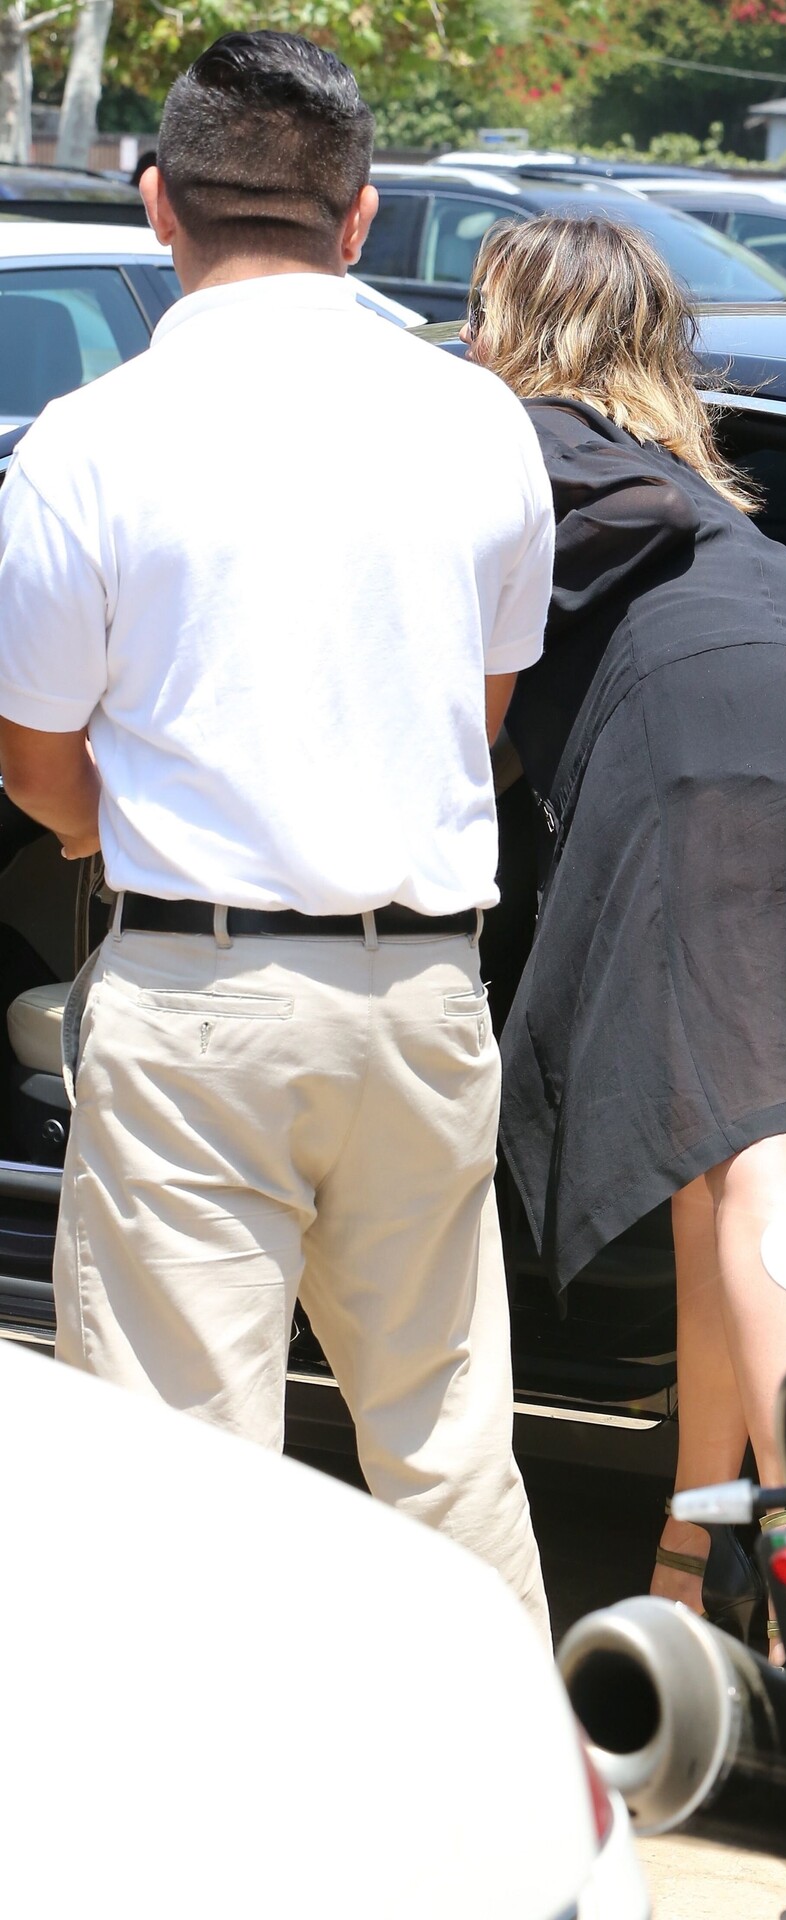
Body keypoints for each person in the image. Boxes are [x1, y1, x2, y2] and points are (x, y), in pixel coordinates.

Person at [0, 32, 553, 1635]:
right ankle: (503, 1777)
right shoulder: (479, 423)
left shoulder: (90, 439)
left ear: (156, 203)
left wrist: (139, 833)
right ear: (360, 216)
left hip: (197, 993)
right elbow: (483, 713)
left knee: (181, 1469)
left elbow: (34, 762)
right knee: (448, 1446)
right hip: (421, 993)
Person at [464, 214, 786, 1648]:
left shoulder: (506, 442)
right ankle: (696, 1548)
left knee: (761, 1167)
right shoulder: (674, 475)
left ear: (509, 325)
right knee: (725, 1167)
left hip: (716, 752)